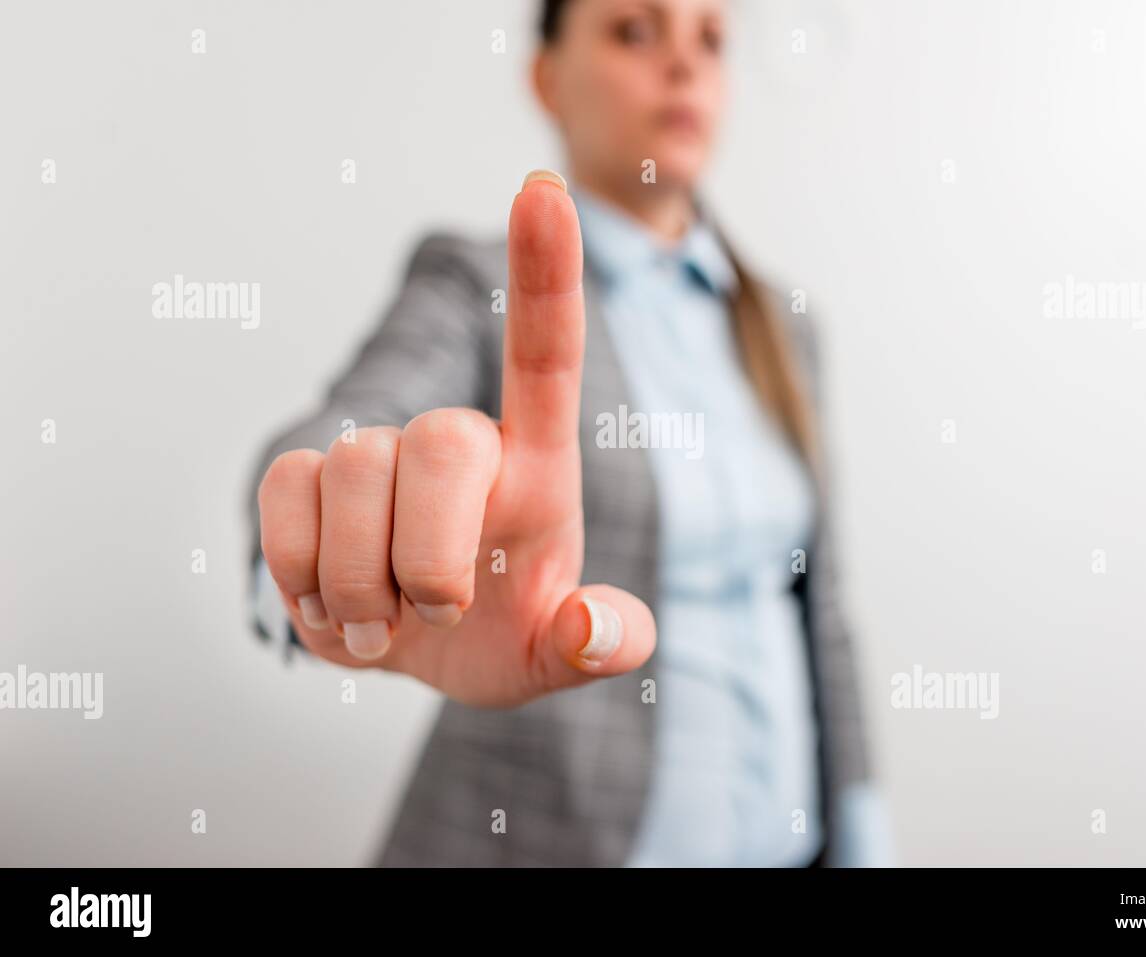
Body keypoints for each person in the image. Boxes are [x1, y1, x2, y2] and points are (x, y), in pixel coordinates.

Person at [248, 0, 890, 867]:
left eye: (711, 39)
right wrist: (319, 545)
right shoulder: (478, 287)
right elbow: (345, 431)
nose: (683, 64)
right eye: (635, 29)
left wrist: (864, 837)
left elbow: (824, 613)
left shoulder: (783, 326)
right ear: (548, 80)